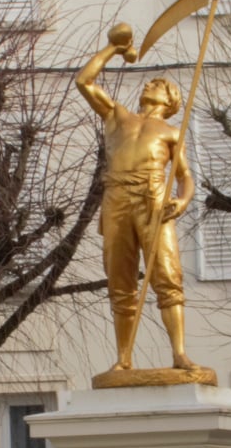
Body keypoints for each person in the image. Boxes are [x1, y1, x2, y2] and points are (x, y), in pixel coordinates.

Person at [75, 23, 198, 373]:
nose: (149, 84)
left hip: (154, 201)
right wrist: (113, 49)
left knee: (167, 277)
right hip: (116, 200)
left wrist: (183, 201)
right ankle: (123, 358)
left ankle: (179, 354)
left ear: (169, 99)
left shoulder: (173, 130)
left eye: (157, 83)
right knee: (121, 282)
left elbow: (186, 175)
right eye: (149, 82)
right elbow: (84, 82)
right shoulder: (118, 116)